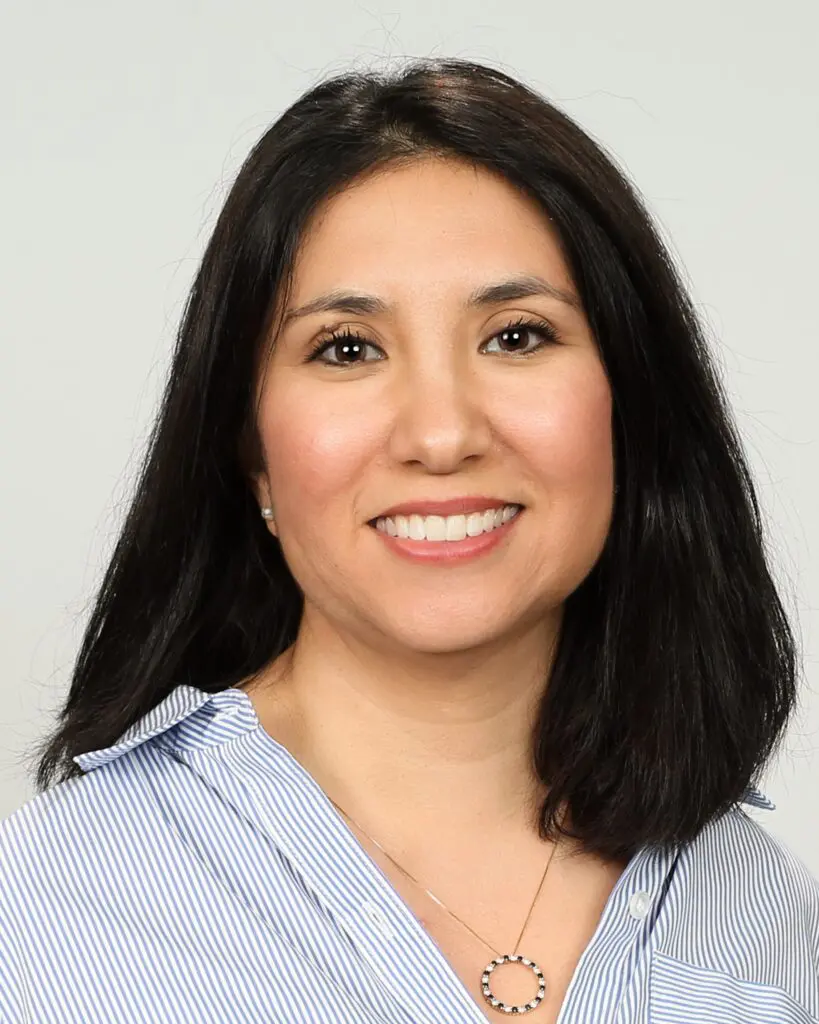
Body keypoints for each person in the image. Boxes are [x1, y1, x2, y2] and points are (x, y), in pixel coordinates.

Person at [1, 57, 816, 1024]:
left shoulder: (762, 912)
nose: (441, 435)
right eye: (346, 348)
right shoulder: (51, 910)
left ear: (629, 407)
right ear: (251, 453)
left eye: (515, 336)